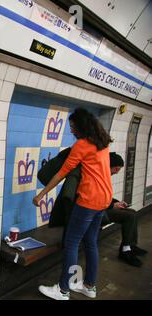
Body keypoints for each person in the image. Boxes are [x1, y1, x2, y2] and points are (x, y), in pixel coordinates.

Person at [33, 108, 113, 300]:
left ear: (81, 126)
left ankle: (62, 290)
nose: (71, 130)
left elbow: (61, 174)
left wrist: (41, 194)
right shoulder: (102, 142)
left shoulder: (82, 145)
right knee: (91, 242)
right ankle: (89, 286)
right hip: (104, 198)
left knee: (71, 243)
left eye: (73, 126)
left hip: (89, 200)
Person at [105, 152, 148, 267]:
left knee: (133, 212)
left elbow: (105, 197)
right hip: (97, 212)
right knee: (129, 216)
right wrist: (112, 206)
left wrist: (117, 203)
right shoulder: (100, 176)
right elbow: (95, 198)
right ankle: (125, 250)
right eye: (116, 169)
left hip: (104, 207)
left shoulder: (105, 176)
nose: (117, 172)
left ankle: (131, 245)